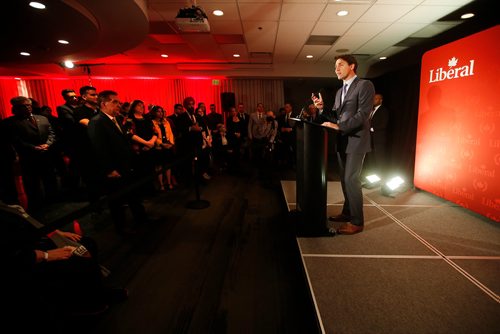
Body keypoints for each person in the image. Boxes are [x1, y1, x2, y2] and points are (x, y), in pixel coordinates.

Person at [312, 54, 375, 235]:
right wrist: (322, 108)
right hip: (342, 141)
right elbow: (335, 118)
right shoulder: (340, 92)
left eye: (340, 65)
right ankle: (347, 213)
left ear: (352, 66)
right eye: (335, 66)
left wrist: (339, 126)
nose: (336, 69)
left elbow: (362, 115)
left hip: (356, 140)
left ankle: (357, 222)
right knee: (344, 180)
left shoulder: (364, 85)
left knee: (351, 179)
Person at [87, 90, 148, 235]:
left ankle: (142, 220)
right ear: (103, 104)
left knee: (134, 195)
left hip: (126, 166)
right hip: (114, 169)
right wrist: (109, 169)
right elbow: (98, 149)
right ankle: (122, 229)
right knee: (117, 202)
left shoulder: (117, 119)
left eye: (118, 102)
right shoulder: (97, 122)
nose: (118, 105)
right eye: (114, 102)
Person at [365, 93, 390, 180]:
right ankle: (374, 179)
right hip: (370, 140)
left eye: (376, 99)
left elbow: (384, 124)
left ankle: (383, 179)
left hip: (379, 140)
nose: (373, 100)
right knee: (372, 161)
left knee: (380, 160)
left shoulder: (384, 110)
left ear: (381, 100)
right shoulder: (371, 110)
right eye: (373, 99)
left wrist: (371, 128)